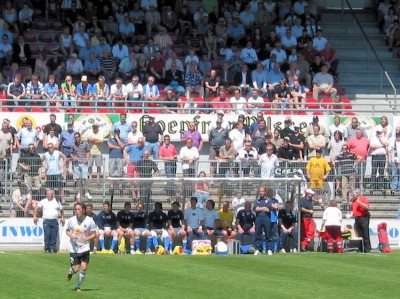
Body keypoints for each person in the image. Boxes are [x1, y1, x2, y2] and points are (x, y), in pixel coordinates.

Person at [66, 202, 97, 292]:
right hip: (74, 247)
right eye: (76, 209)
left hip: (85, 247)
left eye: (79, 209)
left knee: (83, 267)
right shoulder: (71, 220)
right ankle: (71, 271)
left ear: (83, 210)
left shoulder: (90, 221)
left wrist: (86, 238)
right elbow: (67, 231)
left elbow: (94, 234)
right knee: (76, 269)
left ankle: (77, 286)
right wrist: (71, 236)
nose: (77, 211)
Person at [253, 186, 277, 255]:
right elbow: (256, 209)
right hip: (258, 219)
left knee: (268, 234)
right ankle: (258, 249)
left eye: (262, 191)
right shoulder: (257, 200)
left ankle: (269, 249)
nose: (261, 193)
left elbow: (268, 209)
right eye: (260, 191)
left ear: (265, 192)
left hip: (267, 219)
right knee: (258, 234)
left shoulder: (268, 200)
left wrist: (260, 208)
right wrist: (264, 208)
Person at [70, 132, 91, 201]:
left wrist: (87, 159)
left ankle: (86, 192)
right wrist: (74, 157)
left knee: (85, 178)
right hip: (76, 163)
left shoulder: (85, 143)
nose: (76, 138)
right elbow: (71, 153)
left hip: (84, 163)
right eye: (75, 137)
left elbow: (88, 152)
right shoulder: (73, 144)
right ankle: (78, 192)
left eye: (77, 137)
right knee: (78, 179)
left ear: (80, 137)